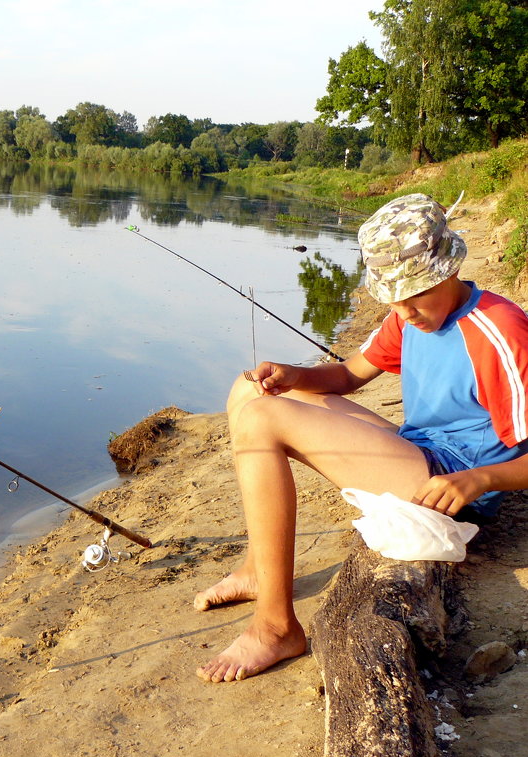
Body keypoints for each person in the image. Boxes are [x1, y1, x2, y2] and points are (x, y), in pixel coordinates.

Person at [194, 193, 528, 683]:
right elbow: (349, 375)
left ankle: (276, 626)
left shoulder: (500, 330)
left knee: (263, 419)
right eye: (394, 297)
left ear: (449, 269)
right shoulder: (407, 316)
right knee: (250, 390)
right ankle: (254, 570)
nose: (405, 311)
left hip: (453, 487)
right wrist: (292, 375)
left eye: (415, 294)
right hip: (417, 452)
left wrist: (477, 481)